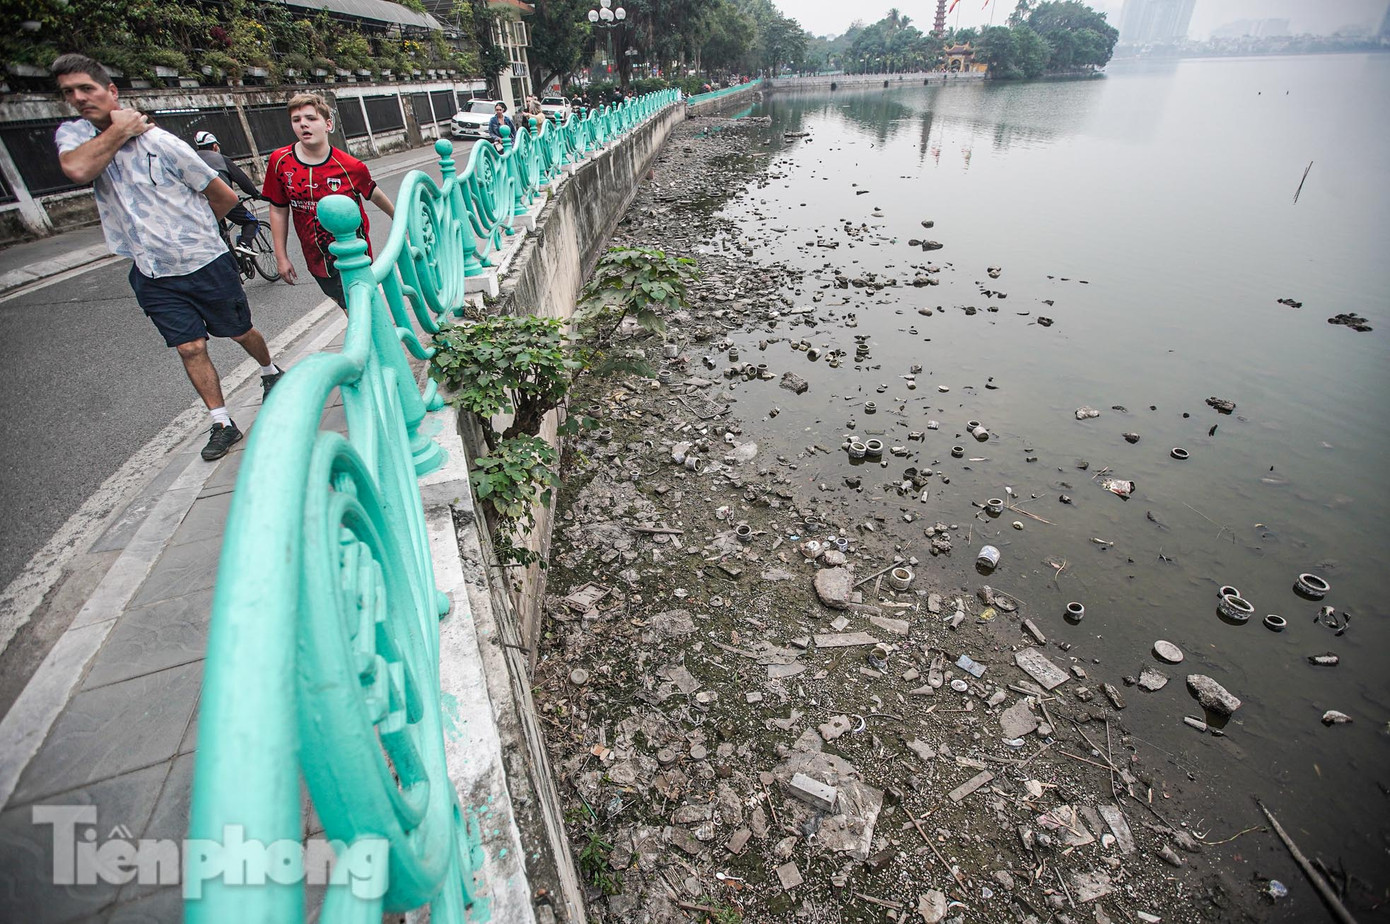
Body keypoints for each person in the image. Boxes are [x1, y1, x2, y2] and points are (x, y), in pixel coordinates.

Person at [52, 53, 283, 462]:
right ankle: (222, 422)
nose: (79, 98)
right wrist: (120, 130)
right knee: (189, 347)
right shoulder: (75, 137)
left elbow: (223, 196)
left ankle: (270, 371)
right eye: (69, 92)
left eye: (87, 88)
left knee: (239, 331)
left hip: (205, 262)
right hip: (151, 272)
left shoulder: (161, 143)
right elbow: (78, 170)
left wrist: (195, 235)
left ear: (111, 91)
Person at [261, 93, 395, 311]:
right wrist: (281, 257)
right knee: (348, 305)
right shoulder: (280, 161)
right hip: (315, 257)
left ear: (328, 124)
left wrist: (398, 218)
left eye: (311, 118)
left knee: (359, 308)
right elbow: (278, 209)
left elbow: (374, 193)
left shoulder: (350, 166)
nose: (303, 124)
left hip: (351, 253)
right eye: (296, 120)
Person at [192, 130, 261, 251]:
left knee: (221, 234)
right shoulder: (220, 159)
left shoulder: (192, 159)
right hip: (223, 200)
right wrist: (255, 193)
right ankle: (245, 244)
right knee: (251, 222)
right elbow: (242, 180)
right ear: (215, 146)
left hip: (199, 205)